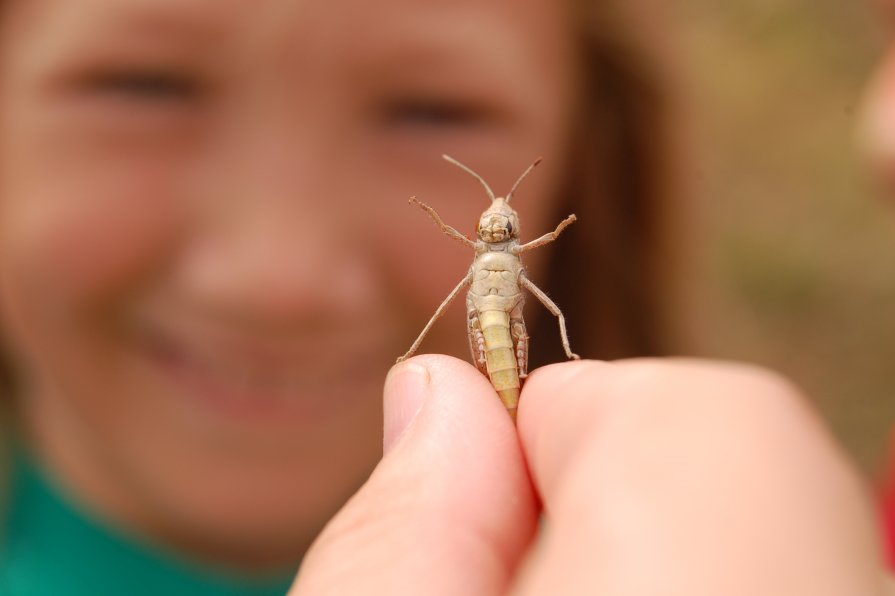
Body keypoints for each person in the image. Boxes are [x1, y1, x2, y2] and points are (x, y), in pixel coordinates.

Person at [0, 1, 889, 596]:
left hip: (509, 343)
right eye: (141, 85)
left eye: (430, 109)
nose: (280, 280)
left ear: (595, 148)